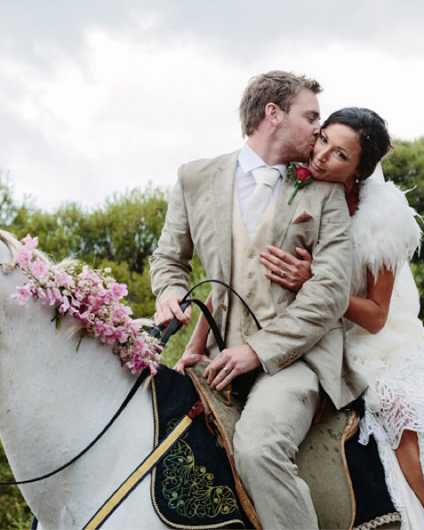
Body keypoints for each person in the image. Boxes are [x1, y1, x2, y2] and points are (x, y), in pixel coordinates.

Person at [254, 107, 424, 528]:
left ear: (359, 171)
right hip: (307, 329)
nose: (321, 156)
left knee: (404, 409)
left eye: (340, 154)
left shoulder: (381, 219)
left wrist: (315, 282)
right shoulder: (295, 184)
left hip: (366, 339)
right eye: (323, 140)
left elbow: (376, 316)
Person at [150, 71, 367, 529]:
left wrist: (258, 350)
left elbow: (330, 293)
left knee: (258, 449)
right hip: (217, 358)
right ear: (273, 114)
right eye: (310, 117)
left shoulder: (326, 192)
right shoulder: (194, 178)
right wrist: (169, 292)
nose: (319, 130)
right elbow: (169, 258)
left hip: (299, 361)